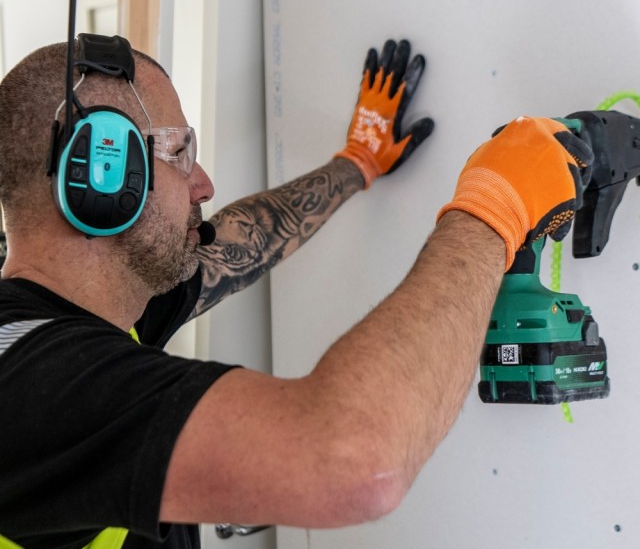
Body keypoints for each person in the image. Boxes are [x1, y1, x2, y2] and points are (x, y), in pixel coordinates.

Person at [0, 37, 591, 549]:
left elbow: (246, 239)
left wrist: (357, 162)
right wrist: (492, 209)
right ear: (99, 175)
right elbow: (356, 460)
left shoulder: (94, 311)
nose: (203, 184)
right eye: (179, 152)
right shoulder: (32, 385)